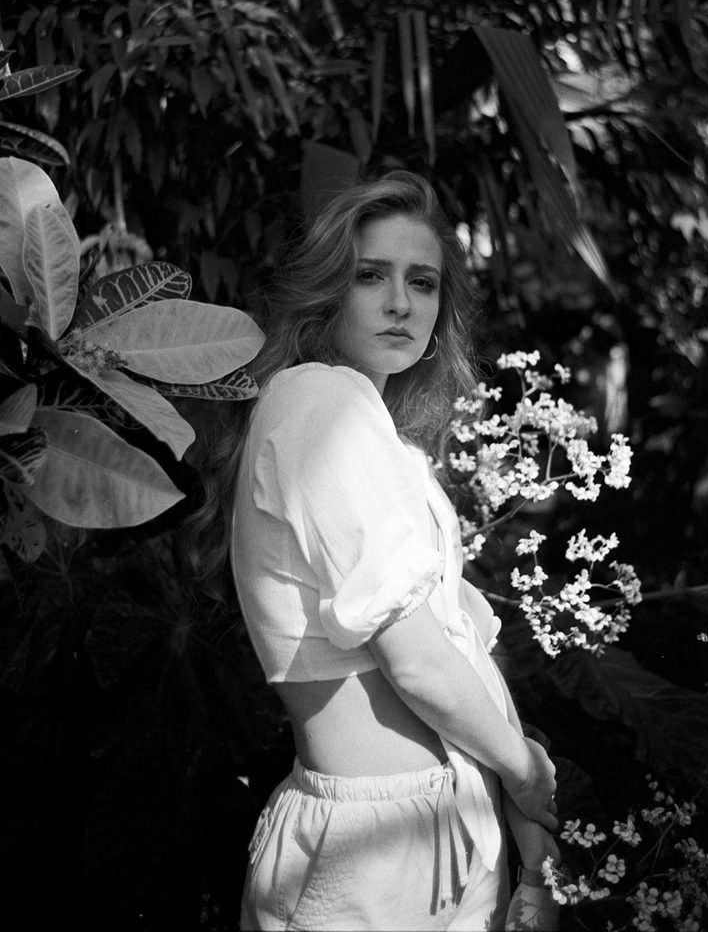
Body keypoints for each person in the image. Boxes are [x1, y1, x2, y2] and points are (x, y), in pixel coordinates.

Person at [195, 171, 560, 930]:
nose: (401, 302)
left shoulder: (383, 442)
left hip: (443, 837)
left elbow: (456, 651)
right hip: (370, 858)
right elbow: (418, 661)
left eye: (422, 283)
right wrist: (528, 778)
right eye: (371, 276)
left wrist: (527, 835)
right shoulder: (317, 402)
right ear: (330, 290)